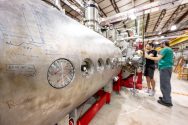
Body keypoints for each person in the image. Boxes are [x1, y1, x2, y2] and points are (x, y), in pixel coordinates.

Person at [145, 40, 174, 107]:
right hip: (166, 67)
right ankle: (165, 97)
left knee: (165, 84)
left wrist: (147, 56)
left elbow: (158, 58)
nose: (160, 44)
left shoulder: (165, 49)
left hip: (165, 67)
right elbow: (160, 56)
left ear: (164, 43)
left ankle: (167, 101)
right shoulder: (168, 49)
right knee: (165, 83)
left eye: (160, 43)